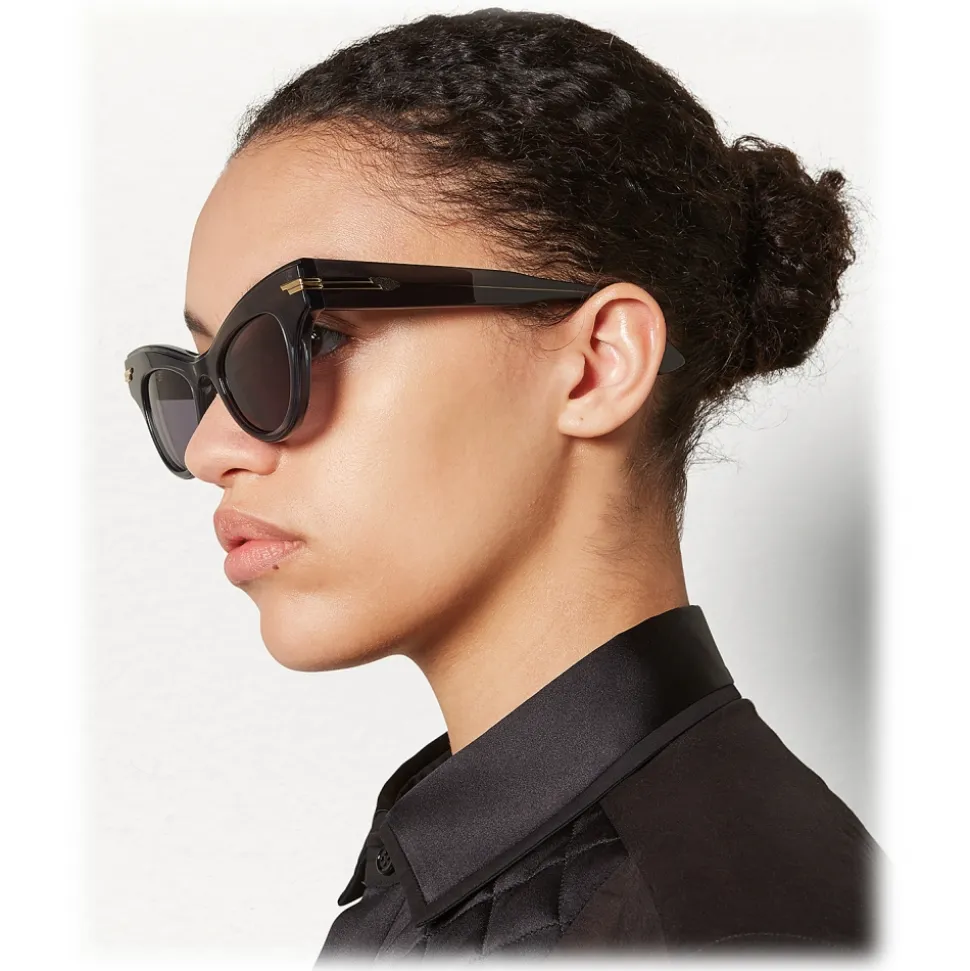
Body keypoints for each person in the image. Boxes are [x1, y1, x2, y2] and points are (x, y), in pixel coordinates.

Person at [123, 6, 881, 960]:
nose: (210, 447)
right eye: (201, 375)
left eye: (306, 340)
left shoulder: (740, 928)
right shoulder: (475, 878)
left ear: (597, 365)